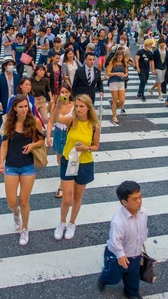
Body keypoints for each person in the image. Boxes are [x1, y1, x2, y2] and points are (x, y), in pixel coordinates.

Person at [52, 93, 101, 240]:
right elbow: (57, 119)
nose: (78, 109)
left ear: (88, 108)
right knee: (67, 198)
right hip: (68, 161)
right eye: (77, 106)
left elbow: (96, 146)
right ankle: (62, 222)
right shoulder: (71, 120)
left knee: (78, 197)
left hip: (84, 163)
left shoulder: (94, 125)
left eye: (81, 106)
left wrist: (86, 148)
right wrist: (58, 106)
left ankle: (72, 223)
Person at [0, 94, 44, 246]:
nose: (24, 109)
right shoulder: (8, 123)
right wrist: (1, 163)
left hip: (28, 167)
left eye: (26, 106)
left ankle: (25, 228)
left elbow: (41, 140)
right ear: (15, 109)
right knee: (11, 202)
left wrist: (32, 145)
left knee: (24, 201)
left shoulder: (34, 121)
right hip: (11, 166)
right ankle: (15, 214)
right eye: (21, 107)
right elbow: (4, 145)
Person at [97, 181, 149, 299]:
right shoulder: (118, 221)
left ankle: (132, 293)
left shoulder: (143, 212)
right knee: (113, 275)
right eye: (134, 199)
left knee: (133, 276)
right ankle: (104, 279)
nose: (139, 201)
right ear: (124, 202)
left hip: (135, 254)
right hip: (118, 256)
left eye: (140, 197)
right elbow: (115, 241)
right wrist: (120, 255)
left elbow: (142, 229)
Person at [0, 57, 20, 147]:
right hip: (3, 104)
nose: (11, 66)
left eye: (12, 64)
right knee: (0, 120)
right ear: (4, 66)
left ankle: (11, 137)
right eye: (9, 64)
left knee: (13, 120)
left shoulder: (17, 77)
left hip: (14, 103)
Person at [106, 49, 129, 125]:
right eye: (118, 57)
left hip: (121, 82)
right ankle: (114, 115)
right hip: (113, 82)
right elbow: (108, 73)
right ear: (116, 57)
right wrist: (116, 73)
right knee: (115, 99)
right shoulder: (112, 63)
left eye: (121, 57)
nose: (120, 59)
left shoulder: (124, 62)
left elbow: (126, 73)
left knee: (122, 101)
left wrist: (124, 75)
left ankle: (113, 106)